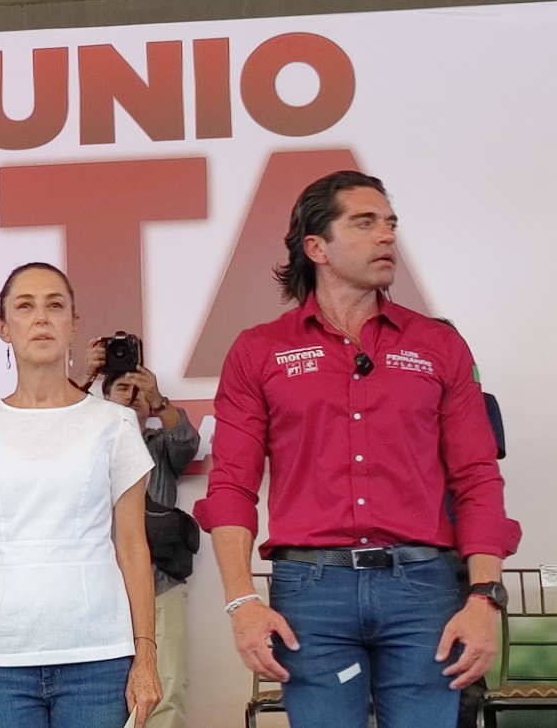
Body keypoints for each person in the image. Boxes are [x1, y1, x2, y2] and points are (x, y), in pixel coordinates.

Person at [193, 171, 520, 728]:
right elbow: (230, 487)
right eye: (364, 223)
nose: (386, 236)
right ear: (316, 247)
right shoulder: (259, 350)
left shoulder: (438, 344)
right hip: (312, 592)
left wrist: (484, 597)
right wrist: (241, 600)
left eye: (390, 223)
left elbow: (477, 477)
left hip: (422, 588)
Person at [0, 262, 162, 728]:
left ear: (74, 324)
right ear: (2, 328)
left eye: (54, 306)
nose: (41, 318)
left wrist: (146, 654)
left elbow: (133, 547)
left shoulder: (115, 425)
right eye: (25, 307)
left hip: (100, 659)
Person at [102, 365, 199, 728]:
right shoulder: (84, 446)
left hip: (159, 584)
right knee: (101, 695)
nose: (132, 396)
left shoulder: (159, 446)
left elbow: (187, 441)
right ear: (103, 399)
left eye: (138, 391)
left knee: (166, 687)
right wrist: (83, 379)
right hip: (99, 591)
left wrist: (157, 399)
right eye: (122, 388)